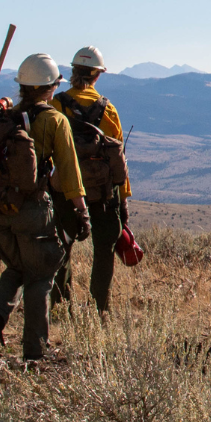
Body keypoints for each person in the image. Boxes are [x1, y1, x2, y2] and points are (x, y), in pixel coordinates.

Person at [0, 54, 90, 363]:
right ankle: (36, 351)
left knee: (16, 268)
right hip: (32, 211)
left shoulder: (5, 118)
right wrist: (81, 210)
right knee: (40, 275)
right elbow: (68, 171)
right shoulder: (54, 120)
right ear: (50, 87)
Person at [50, 46, 131, 314]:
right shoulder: (108, 110)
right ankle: (100, 310)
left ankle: (62, 308)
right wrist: (123, 201)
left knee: (62, 246)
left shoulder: (56, 105)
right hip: (102, 194)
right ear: (97, 76)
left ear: (73, 72)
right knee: (104, 250)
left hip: (64, 192)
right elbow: (118, 158)